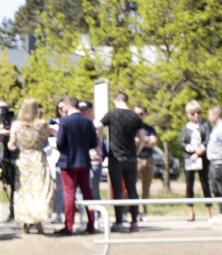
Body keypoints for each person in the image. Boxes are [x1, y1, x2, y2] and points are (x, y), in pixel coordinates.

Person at [98, 92, 147, 232]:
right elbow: (142, 137)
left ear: (115, 100)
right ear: (127, 100)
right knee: (132, 189)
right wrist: (137, 151)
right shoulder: (135, 116)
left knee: (118, 190)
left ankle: (119, 221)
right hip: (131, 157)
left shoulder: (112, 114)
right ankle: (134, 221)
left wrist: (100, 141)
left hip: (116, 157)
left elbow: (98, 125)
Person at [8, 98, 53, 234]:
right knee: (39, 190)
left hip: (24, 159)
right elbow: (45, 138)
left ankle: (25, 222)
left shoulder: (16, 125)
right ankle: (38, 220)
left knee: (23, 191)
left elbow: (11, 145)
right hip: (38, 158)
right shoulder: (41, 124)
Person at [56, 97, 98, 235]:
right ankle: (91, 224)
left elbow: (60, 143)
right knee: (88, 193)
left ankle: (69, 226)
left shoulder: (65, 122)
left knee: (69, 194)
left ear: (68, 106)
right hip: (84, 162)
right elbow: (93, 143)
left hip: (68, 162)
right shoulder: (87, 122)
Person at [180, 100, 213, 222]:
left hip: (203, 158)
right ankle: (190, 211)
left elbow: (208, 140)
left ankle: (208, 210)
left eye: (198, 112)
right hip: (189, 158)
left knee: (205, 184)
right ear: (189, 114)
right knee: (189, 185)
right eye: (193, 113)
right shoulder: (185, 128)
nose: (196, 115)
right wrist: (192, 150)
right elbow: (182, 143)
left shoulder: (206, 125)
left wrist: (199, 152)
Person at [134, 104, 158, 220]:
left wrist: (141, 141)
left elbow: (153, 142)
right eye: (137, 114)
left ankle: (144, 211)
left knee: (146, 187)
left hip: (148, 158)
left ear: (145, 115)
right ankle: (134, 211)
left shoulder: (149, 128)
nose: (139, 116)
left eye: (141, 114)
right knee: (132, 186)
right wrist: (144, 140)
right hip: (136, 159)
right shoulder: (131, 128)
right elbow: (133, 142)